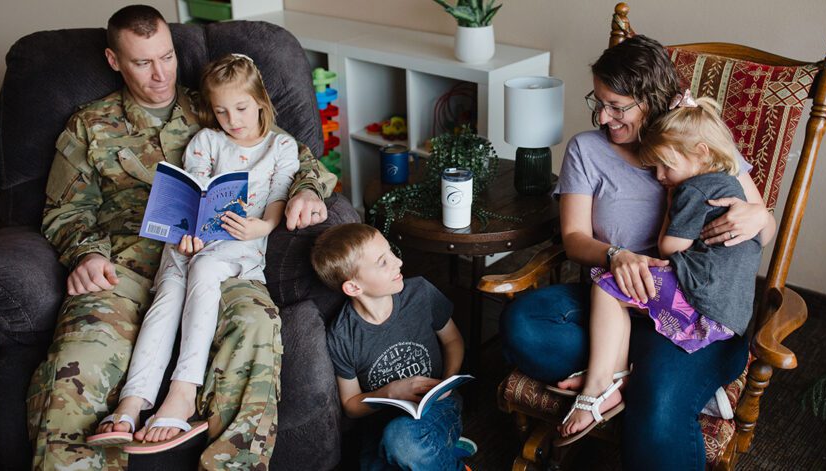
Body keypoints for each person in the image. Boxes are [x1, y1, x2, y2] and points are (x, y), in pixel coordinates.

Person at [28, 5, 335, 470]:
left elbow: (292, 156)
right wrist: (86, 254)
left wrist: (306, 192)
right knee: (79, 361)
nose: (160, 74)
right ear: (114, 61)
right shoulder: (89, 125)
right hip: (124, 263)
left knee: (254, 327)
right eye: (142, 62)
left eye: (167, 57)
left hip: (221, 252)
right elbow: (65, 209)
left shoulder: (216, 103)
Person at [500, 34, 776, 470]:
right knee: (523, 325)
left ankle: (630, 380)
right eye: (599, 101)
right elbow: (574, 238)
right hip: (614, 300)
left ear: (652, 100)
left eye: (617, 105)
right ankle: (637, 374)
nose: (603, 116)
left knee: (658, 407)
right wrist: (617, 256)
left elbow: (762, 227)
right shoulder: (586, 150)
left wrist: (760, 217)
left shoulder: (692, 144)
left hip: (693, 307)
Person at [87, 53, 300, 450]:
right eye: (221, 111)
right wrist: (189, 232)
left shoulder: (281, 146)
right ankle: (132, 403)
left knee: (203, 269)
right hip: (192, 241)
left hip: (241, 243)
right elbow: (194, 192)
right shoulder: (206, 140)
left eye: (240, 108)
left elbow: (278, 193)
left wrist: (265, 225)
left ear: (260, 101)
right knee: (167, 294)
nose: (232, 120)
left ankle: (183, 393)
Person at [556, 93, 763, 444]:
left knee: (608, 285)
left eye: (666, 166)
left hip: (701, 296)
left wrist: (671, 202)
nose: (660, 176)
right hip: (731, 309)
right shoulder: (726, 181)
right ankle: (637, 377)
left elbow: (671, 247)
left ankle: (603, 382)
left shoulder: (693, 188)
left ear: (700, 152)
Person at [310, 223, 472, 471]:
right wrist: (389, 393)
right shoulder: (342, 336)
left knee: (403, 443)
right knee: (388, 451)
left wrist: (447, 382)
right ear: (354, 287)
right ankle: (441, 451)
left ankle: (439, 451)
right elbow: (351, 405)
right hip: (380, 425)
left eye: (391, 252)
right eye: (382, 262)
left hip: (438, 406)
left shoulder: (420, 293)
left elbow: (453, 340)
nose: (398, 262)